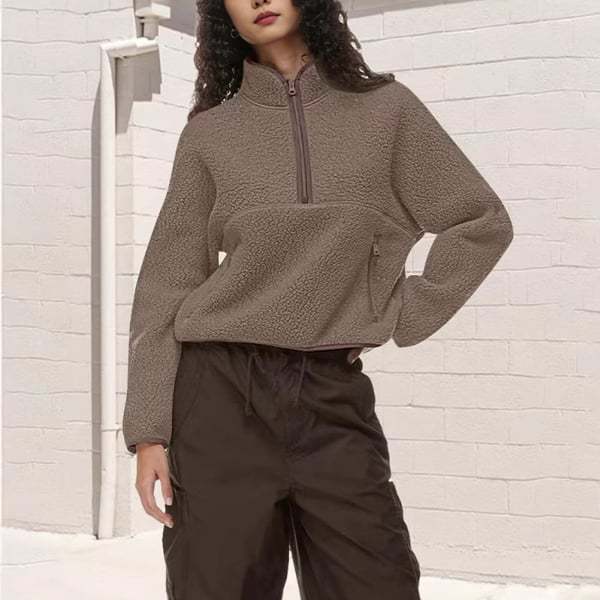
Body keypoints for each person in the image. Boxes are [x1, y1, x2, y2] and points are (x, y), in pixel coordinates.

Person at [122, 0, 513, 598]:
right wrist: (150, 432)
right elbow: (165, 286)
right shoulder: (210, 135)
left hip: (333, 396)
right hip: (220, 397)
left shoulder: (387, 111)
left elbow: (480, 221)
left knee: (377, 584)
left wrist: (404, 311)